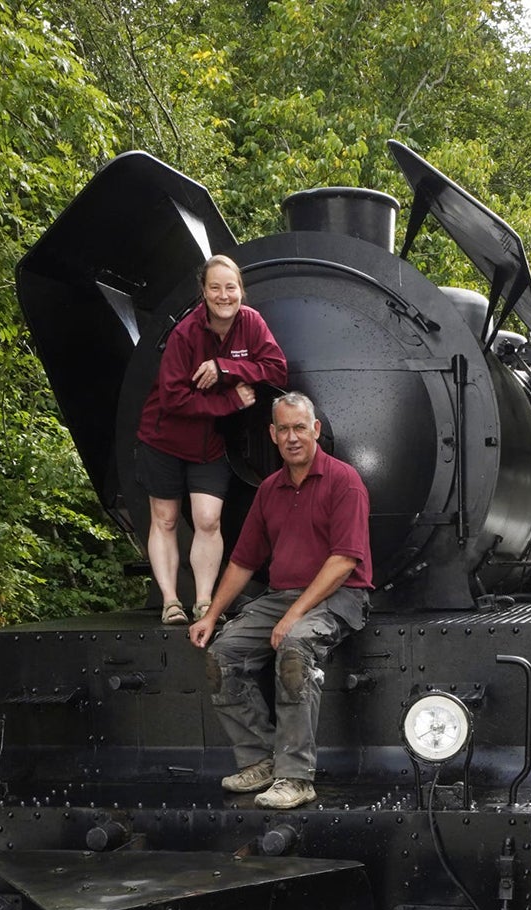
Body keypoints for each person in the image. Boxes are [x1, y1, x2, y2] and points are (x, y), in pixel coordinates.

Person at [188, 393, 371, 811]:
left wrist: (292, 616)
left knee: (294, 648)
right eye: (284, 429)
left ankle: (296, 777)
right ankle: (260, 760)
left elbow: (344, 562)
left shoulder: (345, 481)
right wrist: (211, 615)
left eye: (300, 427)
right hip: (283, 596)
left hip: (341, 595)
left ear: (316, 430)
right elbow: (243, 560)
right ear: (272, 434)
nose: (292, 437)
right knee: (223, 655)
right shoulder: (270, 489)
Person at [135, 254, 288, 625]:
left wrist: (226, 368)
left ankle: (204, 601)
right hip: (165, 438)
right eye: (215, 288)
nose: (224, 296)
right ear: (203, 292)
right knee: (166, 519)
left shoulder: (250, 323)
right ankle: (171, 601)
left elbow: (277, 370)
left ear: (241, 291)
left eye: (231, 288)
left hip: (211, 445)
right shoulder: (185, 334)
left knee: (207, 519)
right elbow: (172, 398)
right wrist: (230, 400)